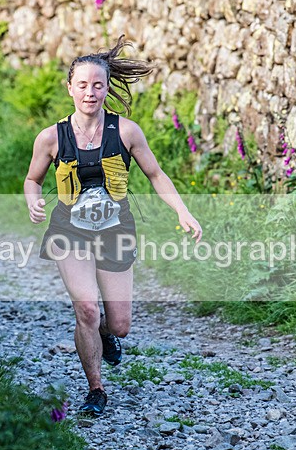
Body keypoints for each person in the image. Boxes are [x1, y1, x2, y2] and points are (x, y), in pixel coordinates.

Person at [24, 36, 202, 417]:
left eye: (98, 85)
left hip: (115, 230)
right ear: (69, 87)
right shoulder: (52, 137)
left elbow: (156, 175)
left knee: (119, 324)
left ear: (106, 89)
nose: (90, 92)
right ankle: (96, 389)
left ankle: (107, 337)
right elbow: (32, 179)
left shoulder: (126, 132)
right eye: (83, 85)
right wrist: (33, 200)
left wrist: (182, 211)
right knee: (87, 309)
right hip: (68, 232)